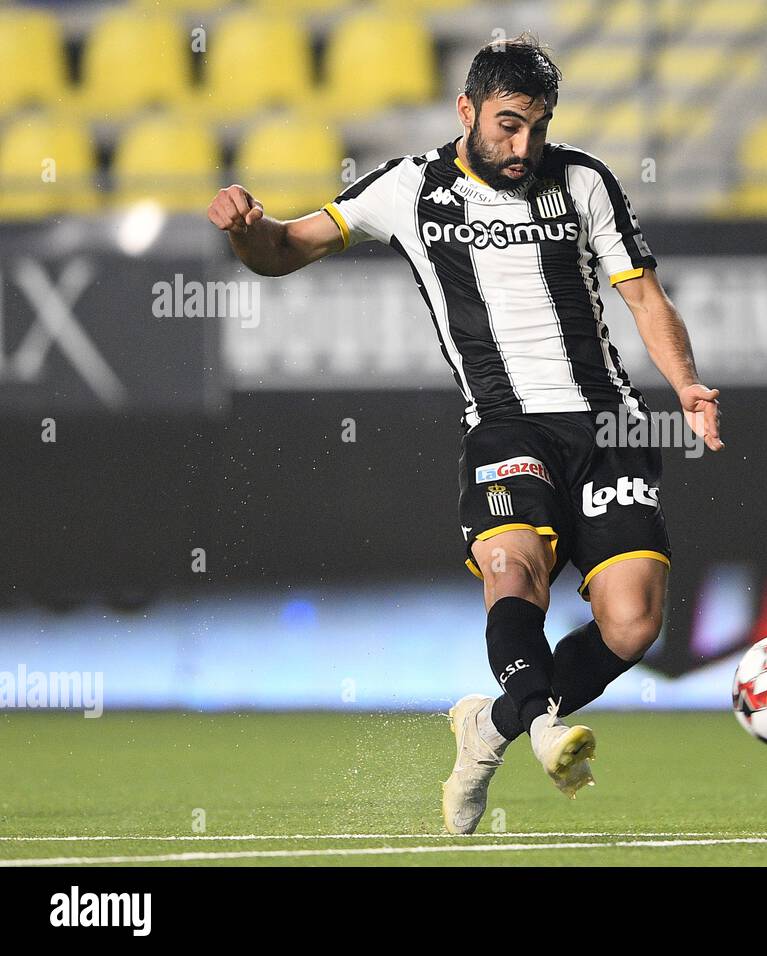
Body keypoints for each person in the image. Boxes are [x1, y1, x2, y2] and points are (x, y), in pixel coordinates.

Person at [206, 33, 722, 834]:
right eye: (509, 125)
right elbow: (284, 249)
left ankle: (490, 727)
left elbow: (645, 298)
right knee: (513, 571)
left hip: (607, 421)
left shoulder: (583, 181)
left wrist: (686, 383)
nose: (524, 146)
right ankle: (547, 728)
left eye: (539, 128)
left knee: (634, 622)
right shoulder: (409, 188)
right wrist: (247, 227)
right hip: (502, 423)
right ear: (467, 110)